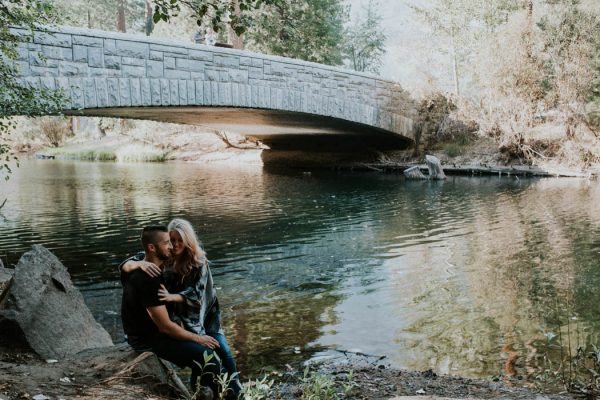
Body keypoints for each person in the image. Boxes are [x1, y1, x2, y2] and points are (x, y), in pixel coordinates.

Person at [121, 219, 242, 396]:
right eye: (170, 241)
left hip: (203, 316)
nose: (173, 245)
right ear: (154, 247)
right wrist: (136, 264)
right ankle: (226, 394)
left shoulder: (197, 261)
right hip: (161, 330)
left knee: (223, 353)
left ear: (188, 241)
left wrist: (173, 298)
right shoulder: (151, 268)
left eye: (178, 241)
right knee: (207, 357)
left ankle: (235, 392)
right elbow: (164, 326)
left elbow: (198, 295)